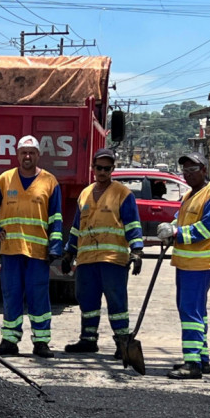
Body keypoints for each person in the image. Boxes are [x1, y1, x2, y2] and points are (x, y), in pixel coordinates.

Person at [0, 135, 64, 358]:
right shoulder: (5, 179)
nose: (27, 156)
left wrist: (55, 246)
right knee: (12, 295)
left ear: (38, 155)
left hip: (38, 252)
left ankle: (41, 342)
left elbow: (56, 217)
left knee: (39, 296)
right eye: (23, 152)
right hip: (11, 250)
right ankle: (9, 340)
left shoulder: (50, 181)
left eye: (31, 152)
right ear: (17, 155)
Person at [60, 148, 144, 358]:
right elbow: (76, 227)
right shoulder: (85, 194)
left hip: (113, 260)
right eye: (99, 167)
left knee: (116, 301)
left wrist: (137, 251)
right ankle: (88, 340)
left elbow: (133, 224)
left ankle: (122, 342)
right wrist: (69, 253)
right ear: (93, 168)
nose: (103, 172)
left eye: (107, 168)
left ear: (113, 169)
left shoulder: (123, 194)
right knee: (87, 300)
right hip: (87, 260)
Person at [155, 151, 210, 380]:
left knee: (190, 312)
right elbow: (181, 219)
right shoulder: (189, 195)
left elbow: (207, 229)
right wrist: (170, 227)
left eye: (193, 170)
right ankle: (201, 359)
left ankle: (192, 363)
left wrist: (176, 232)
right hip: (187, 263)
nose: (188, 175)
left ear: (204, 170)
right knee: (196, 312)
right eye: (185, 171)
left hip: (201, 263)